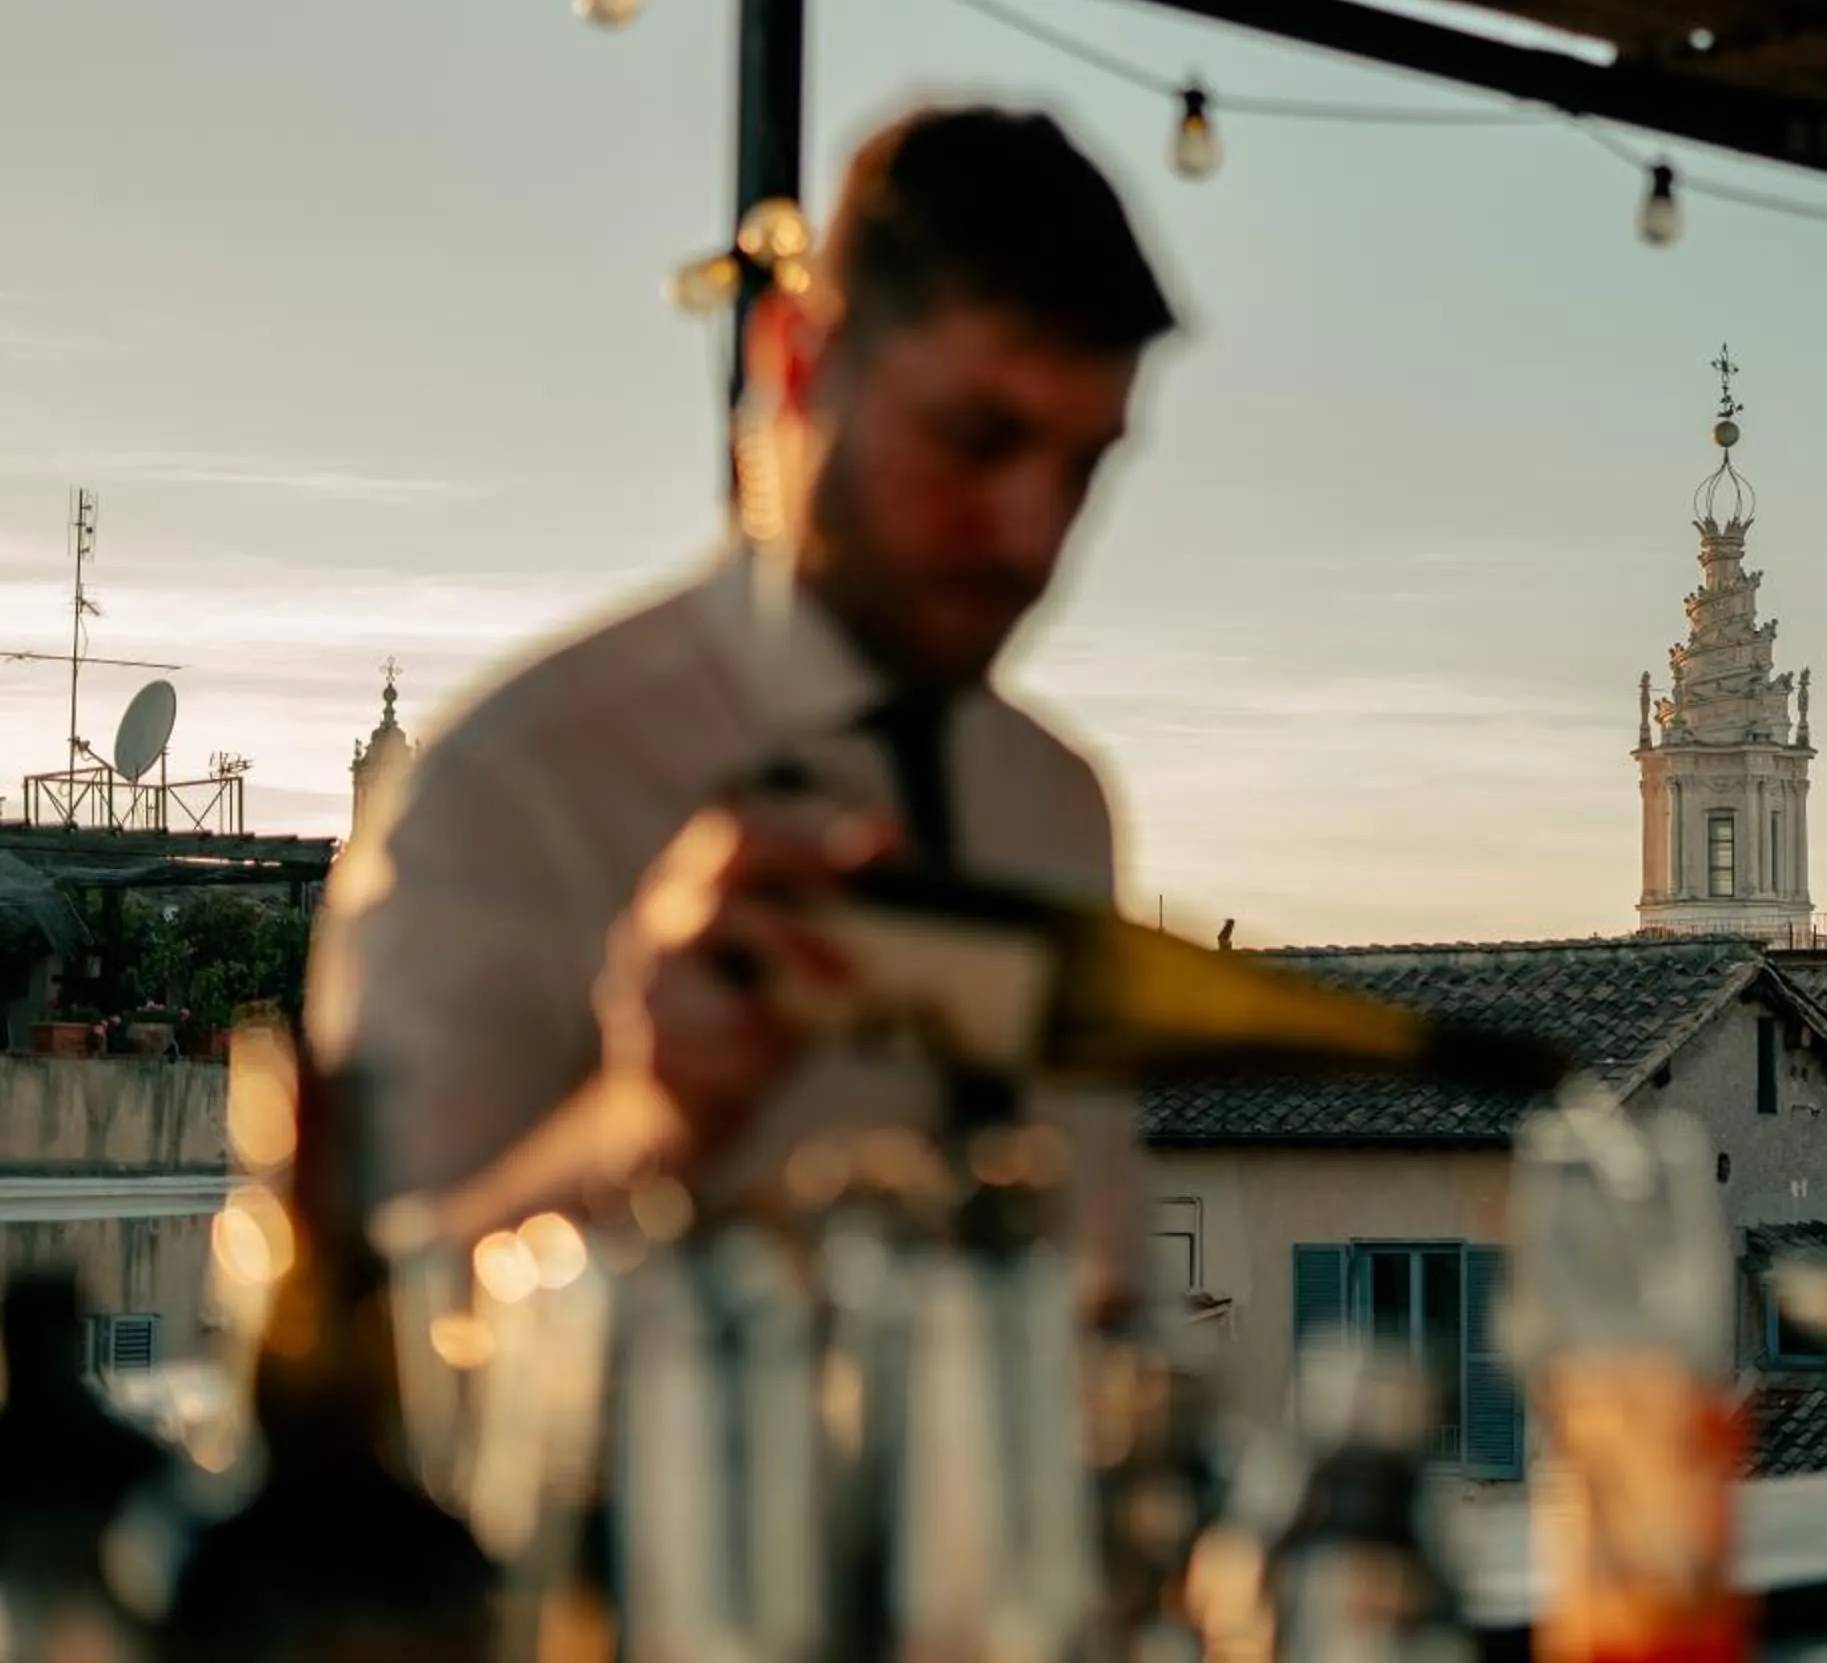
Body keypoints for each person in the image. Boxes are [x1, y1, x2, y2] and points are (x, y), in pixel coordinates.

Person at [308, 105, 1178, 1207]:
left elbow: (1095, 1266)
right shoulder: (508, 787)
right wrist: (648, 1116)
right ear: (796, 360)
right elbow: (365, 1333)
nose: (1033, 533)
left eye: (1082, 467)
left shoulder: (1059, 807)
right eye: (976, 439)